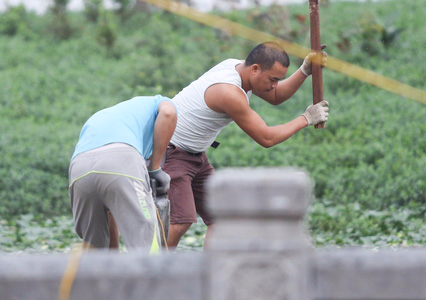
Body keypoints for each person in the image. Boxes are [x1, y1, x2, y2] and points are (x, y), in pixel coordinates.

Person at [162, 41, 329, 248]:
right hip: (172, 151)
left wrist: (304, 71)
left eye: (278, 80)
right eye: (273, 79)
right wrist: (305, 119)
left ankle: (210, 273)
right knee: (181, 222)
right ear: (255, 69)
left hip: (196, 155)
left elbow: (275, 97)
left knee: (222, 218)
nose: (274, 85)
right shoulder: (228, 92)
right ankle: (153, 271)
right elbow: (266, 138)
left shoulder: (239, 68)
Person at [69, 95, 177, 252]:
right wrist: (155, 168)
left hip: (79, 168)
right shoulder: (158, 101)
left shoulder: (104, 117)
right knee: (145, 240)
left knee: (94, 251)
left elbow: (110, 195)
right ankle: (153, 275)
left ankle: (105, 276)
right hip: (121, 159)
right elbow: (168, 113)